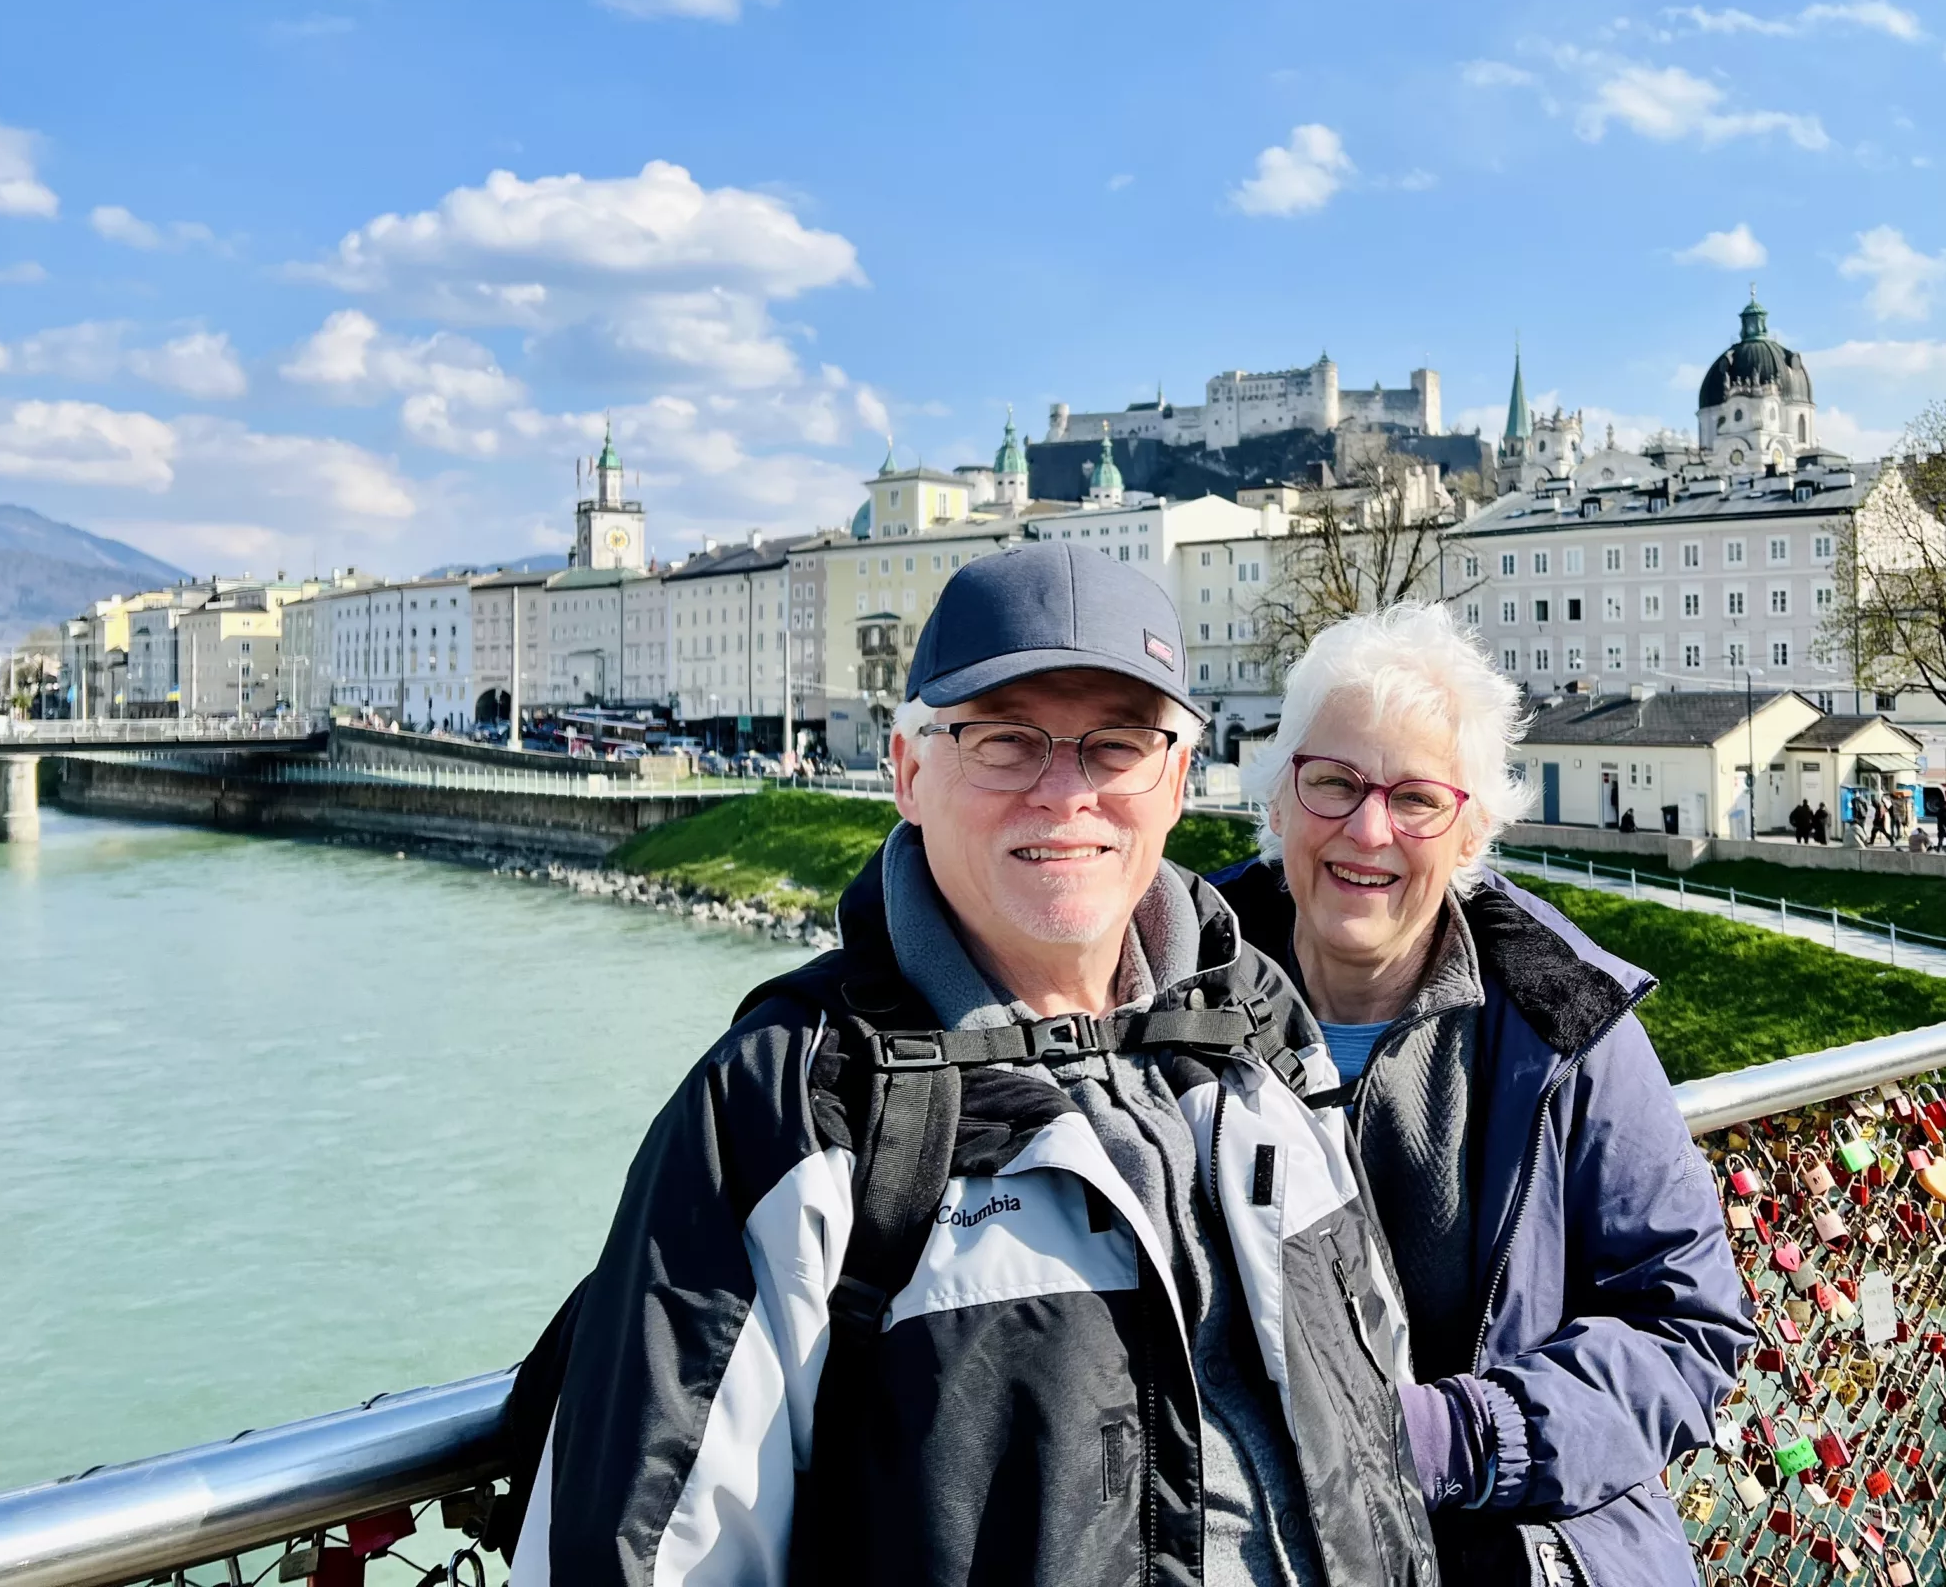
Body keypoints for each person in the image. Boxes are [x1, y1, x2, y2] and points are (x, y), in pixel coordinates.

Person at [504, 545, 1435, 1587]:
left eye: (1117, 747)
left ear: (1175, 781)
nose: (1065, 795)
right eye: (1004, 743)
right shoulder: (792, 1107)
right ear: (908, 773)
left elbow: (1374, 1405)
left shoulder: (1258, 1034)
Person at [1212, 605, 1751, 1585]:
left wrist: (1456, 1436)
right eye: (1331, 783)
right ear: (1278, 801)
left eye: (1415, 798)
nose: (1365, 830)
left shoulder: (1560, 1020)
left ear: (1469, 831)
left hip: (1498, 1545)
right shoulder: (1166, 991)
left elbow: (1687, 1328)